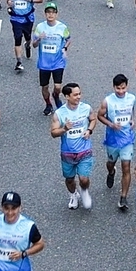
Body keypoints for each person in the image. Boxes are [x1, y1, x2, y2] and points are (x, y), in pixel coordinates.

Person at [49, 81, 95, 209]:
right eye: (75, 95)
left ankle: (84, 191)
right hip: (67, 153)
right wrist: (64, 129)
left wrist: (89, 130)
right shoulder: (59, 113)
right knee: (69, 179)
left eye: (79, 94)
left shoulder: (86, 108)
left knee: (84, 179)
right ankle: (73, 194)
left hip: (84, 150)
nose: (79, 97)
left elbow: (93, 119)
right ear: (67, 96)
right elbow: (53, 133)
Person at [99, 73, 136, 210]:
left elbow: (131, 111)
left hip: (127, 138)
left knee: (126, 167)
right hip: (112, 139)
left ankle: (123, 198)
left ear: (127, 86)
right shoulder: (107, 101)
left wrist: (133, 120)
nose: (121, 91)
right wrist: (111, 124)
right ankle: (111, 172)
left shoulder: (132, 98)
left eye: (123, 88)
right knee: (110, 163)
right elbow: (100, 116)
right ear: (113, 87)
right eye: (118, 88)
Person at [32, 3, 70, 114]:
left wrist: (65, 48)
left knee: (58, 86)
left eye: (53, 12)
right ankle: (48, 104)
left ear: (56, 14)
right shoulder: (40, 27)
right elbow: (34, 45)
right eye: (48, 12)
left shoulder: (62, 27)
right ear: (45, 14)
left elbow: (68, 39)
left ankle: (56, 95)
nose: (50, 14)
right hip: (44, 63)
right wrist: (39, 39)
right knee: (44, 87)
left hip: (58, 62)